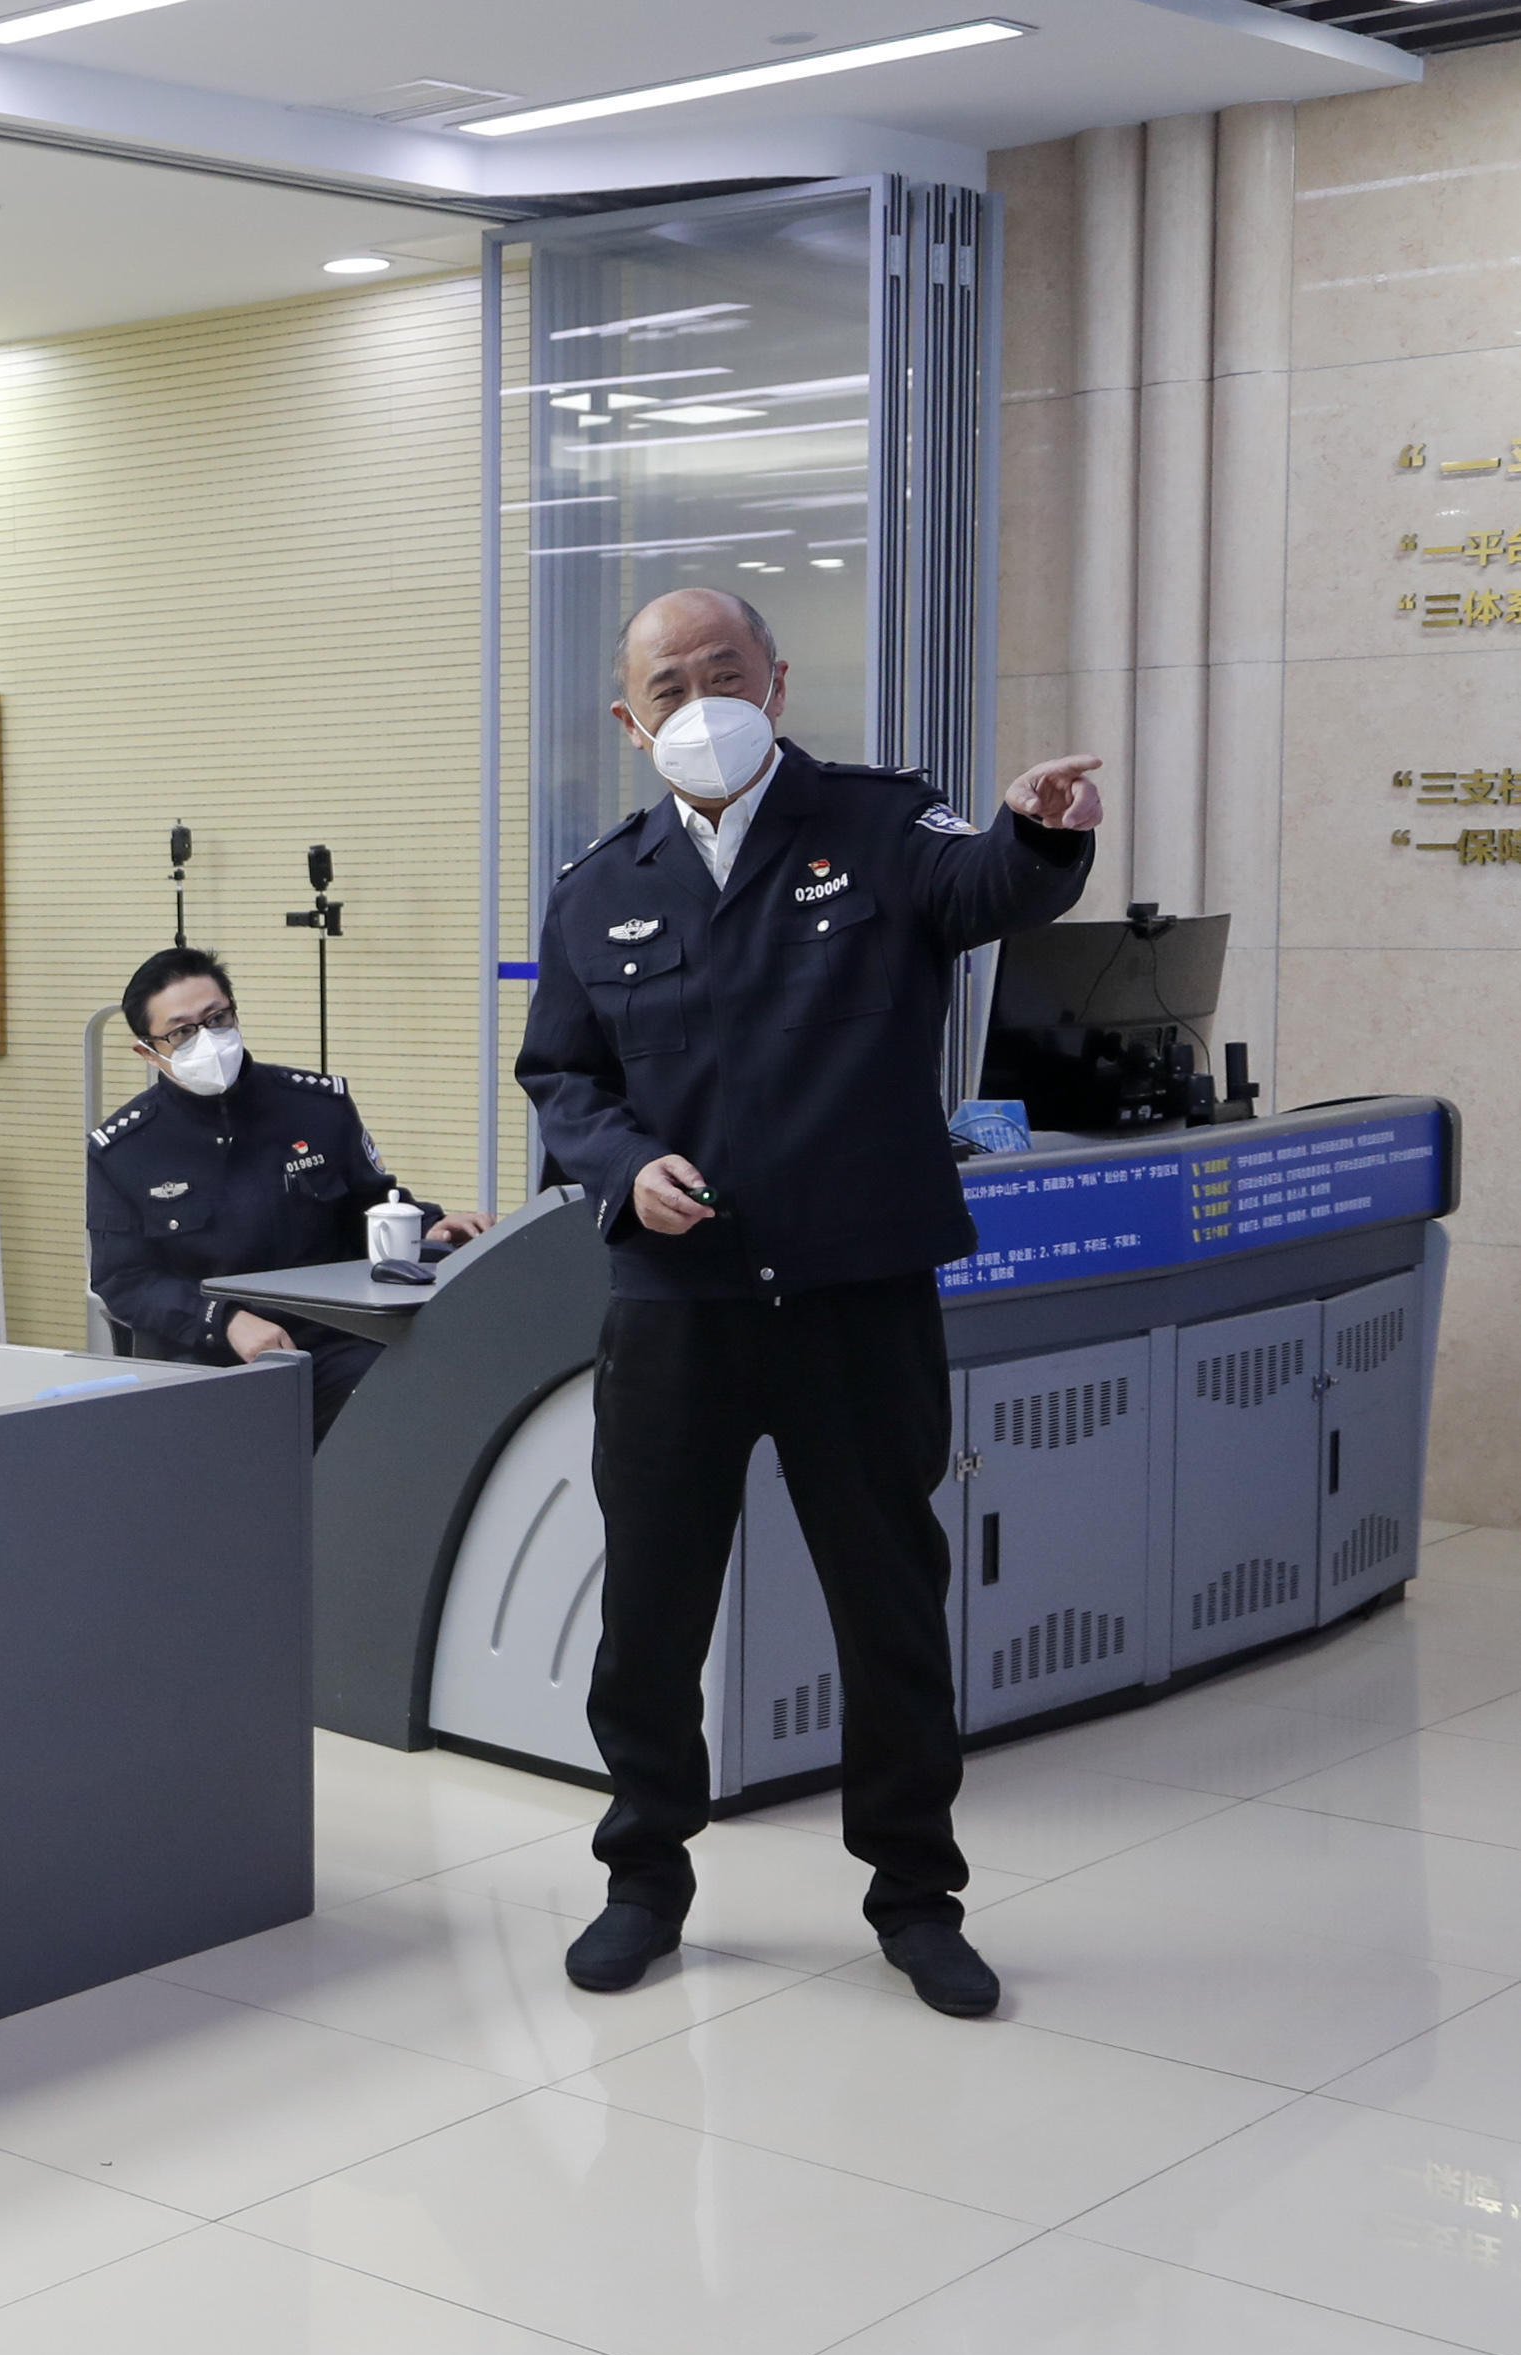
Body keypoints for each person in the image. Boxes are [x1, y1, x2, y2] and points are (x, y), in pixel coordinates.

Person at [518, 586, 1104, 2019]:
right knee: (649, 1610)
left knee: (888, 1603)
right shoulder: (597, 887)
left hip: (854, 1297)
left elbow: (986, 890)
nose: (699, 701)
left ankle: (914, 1895)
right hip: (678, 1305)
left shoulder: (877, 826)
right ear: (628, 720)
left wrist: (1038, 835)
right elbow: (561, 1077)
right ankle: (642, 1877)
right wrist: (621, 1167)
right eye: (668, 685)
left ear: (775, 684)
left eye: (724, 672)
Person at [85, 944, 487, 1439]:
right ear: (148, 1052)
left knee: (417, 1404)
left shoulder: (315, 1106)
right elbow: (123, 1279)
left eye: (217, 1019)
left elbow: (370, 1203)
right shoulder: (123, 1149)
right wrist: (224, 1320)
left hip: (330, 1343)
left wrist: (428, 1225)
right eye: (182, 1032)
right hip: (203, 1356)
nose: (207, 1039)